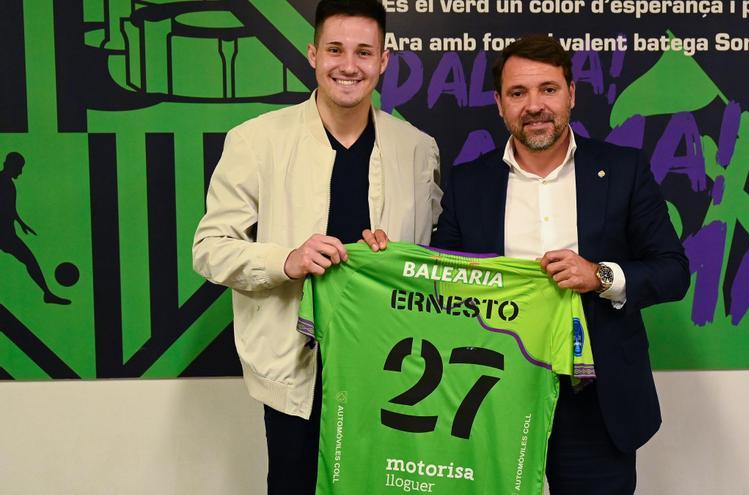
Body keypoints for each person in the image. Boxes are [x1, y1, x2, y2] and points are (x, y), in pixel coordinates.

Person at [191, 0, 441, 492]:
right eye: (335, 50)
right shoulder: (255, 140)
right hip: (296, 368)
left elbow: (430, 258)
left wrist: (395, 258)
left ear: (384, 60)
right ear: (312, 54)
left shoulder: (418, 147)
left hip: (393, 373)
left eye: (364, 52)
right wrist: (286, 259)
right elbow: (209, 248)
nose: (349, 65)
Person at [430, 36, 690, 495]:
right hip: (492, 396)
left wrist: (600, 276)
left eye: (548, 89)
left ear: (571, 93)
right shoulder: (469, 182)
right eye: (518, 93)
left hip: (595, 400)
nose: (535, 105)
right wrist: (384, 256)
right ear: (498, 104)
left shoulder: (623, 170)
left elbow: (673, 271)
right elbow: (441, 277)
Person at [0, 151, 70, 305]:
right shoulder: (4, 182)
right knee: (30, 260)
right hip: (4, 235)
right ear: (11, 165)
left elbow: (9, 209)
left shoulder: (7, 183)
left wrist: (21, 222)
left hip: (7, 234)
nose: (21, 171)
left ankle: (47, 294)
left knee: (29, 260)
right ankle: (47, 294)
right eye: (19, 167)